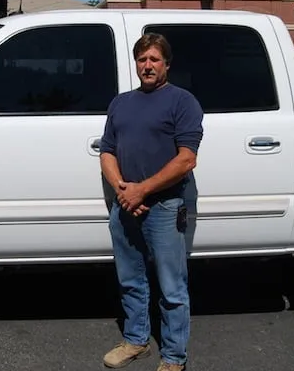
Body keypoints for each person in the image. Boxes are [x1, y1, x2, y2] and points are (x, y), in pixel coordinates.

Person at [99, 33, 204, 371]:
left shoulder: (182, 102)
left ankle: (174, 357)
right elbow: (106, 151)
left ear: (167, 64)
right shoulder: (120, 103)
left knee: (172, 288)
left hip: (165, 207)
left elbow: (186, 159)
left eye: (154, 59)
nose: (147, 65)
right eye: (142, 59)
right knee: (130, 279)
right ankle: (136, 340)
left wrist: (141, 190)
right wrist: (123, 189)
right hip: (125, 205)